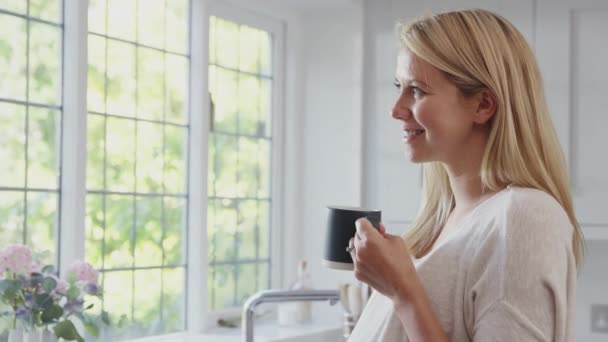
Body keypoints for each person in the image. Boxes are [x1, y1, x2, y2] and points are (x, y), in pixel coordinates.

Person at [346, 8, 585, 342]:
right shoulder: (442, 221)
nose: (396, 109)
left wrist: (403, 290)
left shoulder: (523, 217)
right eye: (398, 86)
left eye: (416, 90)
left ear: (483, 105)